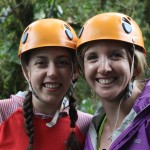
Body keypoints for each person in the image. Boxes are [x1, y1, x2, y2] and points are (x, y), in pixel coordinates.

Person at [0, 18, 92, 150]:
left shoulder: (86, 125)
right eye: (41, 63)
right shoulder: (3, 113)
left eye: (62, 63)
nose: (52, 73)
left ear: (75, 71)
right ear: (26, 71)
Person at [76, 12, 150, 150]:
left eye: (116, 55)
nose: (104, 68)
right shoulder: (92, 130)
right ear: (83, 69)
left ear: (135, 66)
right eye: (92, 57)